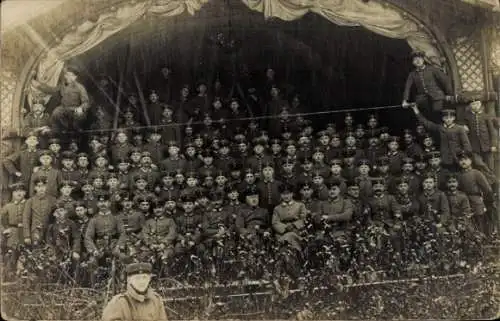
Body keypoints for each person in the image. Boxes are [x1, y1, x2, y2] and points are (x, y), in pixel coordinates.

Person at [410, 105, 471, 170]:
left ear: (454, 118)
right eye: (446, 118)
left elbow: (466, 144)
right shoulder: (440, 128)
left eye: (450, 117)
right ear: (443, 119)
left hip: (458, 159)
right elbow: (426, 123)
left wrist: (465, 158)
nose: (448, 119)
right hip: (445, 160)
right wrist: (415, 109)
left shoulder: (459, 128)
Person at [102, 262, 168, 321]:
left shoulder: (156, 300)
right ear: (129, 280)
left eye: (144, 277)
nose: (141, 282)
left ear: (149, 279)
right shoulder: (118, 303)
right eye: (137, 278)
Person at [33, 66, 90, 134]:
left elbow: (86, 102)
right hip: (64, 108)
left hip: (75, 108)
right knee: (56, 112)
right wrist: (38, 86)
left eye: (70, 75)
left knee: (79, 115)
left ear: (75, 77)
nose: (67, 77)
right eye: (67, 74)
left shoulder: (80, 87)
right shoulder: (62, 85)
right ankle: (61, 129)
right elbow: (52, 90)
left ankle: (76, 129)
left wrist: (81, 108)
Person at [402, 51, 454, 121]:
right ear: (412, 62)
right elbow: (407, 87)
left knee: (438, 116)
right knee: (427, 117)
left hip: (437, 97)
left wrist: (449, 94)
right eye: (415, 59)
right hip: (423, 100)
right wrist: (405, 100)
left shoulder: (432, 69)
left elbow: (445, 80)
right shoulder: (412, 74)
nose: (418, 61)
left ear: (423, 60)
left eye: (419, 59)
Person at [459, 96, 498, 185]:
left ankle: (492, 184)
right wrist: (463, 125)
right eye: (473, 104)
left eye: (477, 104)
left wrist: (493, 145)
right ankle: (492, 179)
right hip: (474, 146)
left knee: (490, 165)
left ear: (480, 104)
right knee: (479, 164)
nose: (475, 106)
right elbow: (461, 122)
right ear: (470, 106)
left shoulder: (486, 116)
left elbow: (492, 131)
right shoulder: (467, 116)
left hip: (487, 145)